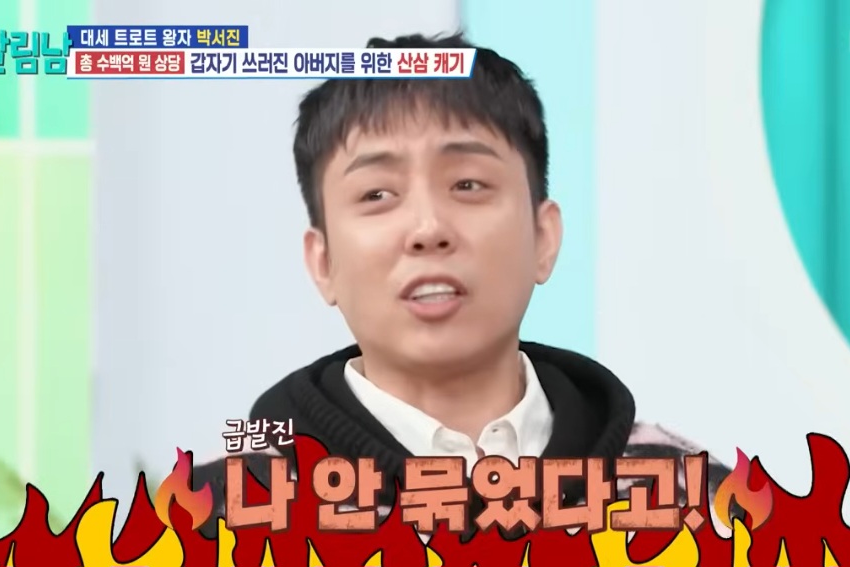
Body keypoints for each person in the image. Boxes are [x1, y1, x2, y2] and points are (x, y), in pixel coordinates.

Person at [191, 32, 738, 537]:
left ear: (543, 237)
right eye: (377, 195)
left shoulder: (686, 496)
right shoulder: (221, 512)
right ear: (323, 261)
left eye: (468, 184)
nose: (428, 229)